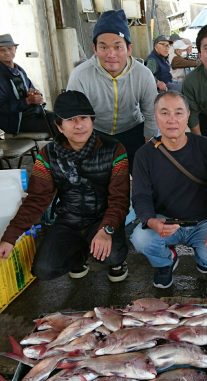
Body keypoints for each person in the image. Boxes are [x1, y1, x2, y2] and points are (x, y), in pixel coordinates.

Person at [0, 90, 129, 282]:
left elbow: (120, 198)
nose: (78, 125)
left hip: (103, 218)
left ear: (92, 120)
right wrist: (9, 237)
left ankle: (117, 260)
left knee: (111, 254)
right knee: (44, 269)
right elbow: (37, 199)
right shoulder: (47, 155)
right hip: (69, 219)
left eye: (83, 117)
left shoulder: (114, 148)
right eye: (70, 120)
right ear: (59, 127)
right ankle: (79, 256)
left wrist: (106, 229)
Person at [130, 91, 207, 289]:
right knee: (139, 238)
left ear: (188, 116)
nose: (172, 120)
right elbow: (140, 195)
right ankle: (166, 261)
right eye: (164, 113)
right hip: (166, 222)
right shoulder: (144, 154)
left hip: (204, 221)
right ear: (155, 116)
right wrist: (151, 221)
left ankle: (203, 260)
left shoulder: (206, 147)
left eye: (178, 113)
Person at [67, 9, 158, 171]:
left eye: (118, 47)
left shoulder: (143, 74)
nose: (111, 54)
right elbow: (73, 116)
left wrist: (149, 145)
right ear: (94, 49)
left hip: (133, 130)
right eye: (103, 47)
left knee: (144, 175)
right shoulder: (80, 75)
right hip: (96, 133)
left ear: (129, 49)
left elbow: (151, 113)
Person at [0, 33, 54, 136]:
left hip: (32, 114)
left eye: (10, 48)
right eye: (2, 50)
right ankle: (49, 152)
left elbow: (31, 89)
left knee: (64, 120)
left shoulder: (19, 70)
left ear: (15, 49)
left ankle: (60, 151)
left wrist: (35, 95)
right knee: (57, 126)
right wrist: (27, 101)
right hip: (14, 122)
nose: (7, 52)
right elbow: (2, 108)